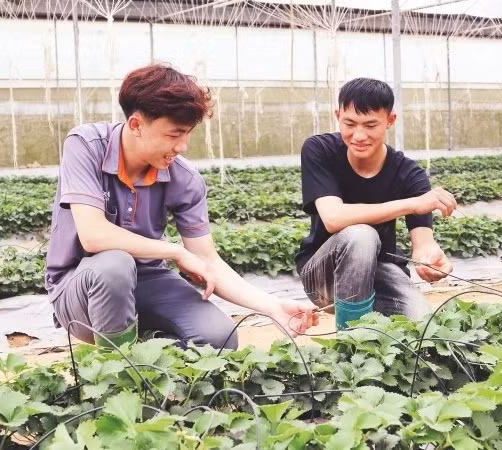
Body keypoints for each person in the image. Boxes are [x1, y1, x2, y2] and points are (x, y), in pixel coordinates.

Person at [44, 63, 319, 350]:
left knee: (218, 338)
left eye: (188, 133)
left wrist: (272, 306)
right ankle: (118, 372)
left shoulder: (184, 179)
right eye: (174, 135)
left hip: (148, 281)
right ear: (136, 125)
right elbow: (93, 235)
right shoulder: (86, 145)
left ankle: (151, 355)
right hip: (80, 287)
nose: (183, 146)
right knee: (115, 264)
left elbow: (208, 260)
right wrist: (174, 251)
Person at [295, 77, 457, 330]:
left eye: (371, 125)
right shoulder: (320, 149)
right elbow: (333, 218)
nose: (359, 135)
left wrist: (431, 259)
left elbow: (423, 245)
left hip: (381, 273)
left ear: (390, 121)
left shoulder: (409, 174)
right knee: (362, 235)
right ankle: (351, 342)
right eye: (349, 123)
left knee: (423, 329)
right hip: (324, 275)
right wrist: (411, 204)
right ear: (338, 115)